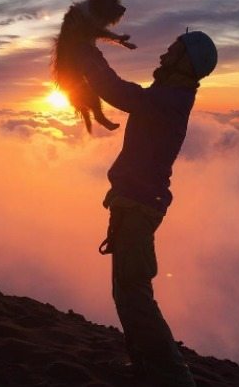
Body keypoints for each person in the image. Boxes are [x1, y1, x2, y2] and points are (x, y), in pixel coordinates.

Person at [77, 30, 217, 386]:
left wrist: (87, 54)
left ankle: (172, 377)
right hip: (135, 203)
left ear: (186, 62)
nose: (163, 56)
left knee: (134, 293)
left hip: (138, 206)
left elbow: (118, 93)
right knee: (127, 291)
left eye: (172, 51)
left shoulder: (169, 100)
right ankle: (147, 370)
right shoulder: (170, 96)